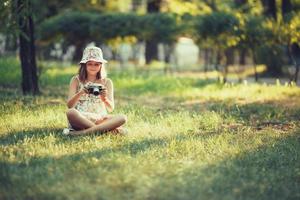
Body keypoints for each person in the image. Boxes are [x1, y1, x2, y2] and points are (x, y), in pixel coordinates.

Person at [63, 46, 127, 136]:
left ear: (101, 65)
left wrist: (104, 99)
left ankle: (79, 133)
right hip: (81, 118)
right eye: (90, 64)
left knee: (123, 118)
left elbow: (111, 108)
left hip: (100, 119)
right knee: (70, 113)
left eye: (97, 64)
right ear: (84, 65)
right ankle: (105, 131)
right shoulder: (76, 80)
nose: (93, 67)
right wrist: (81, 92)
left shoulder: (107, 82)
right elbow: (70, 106)